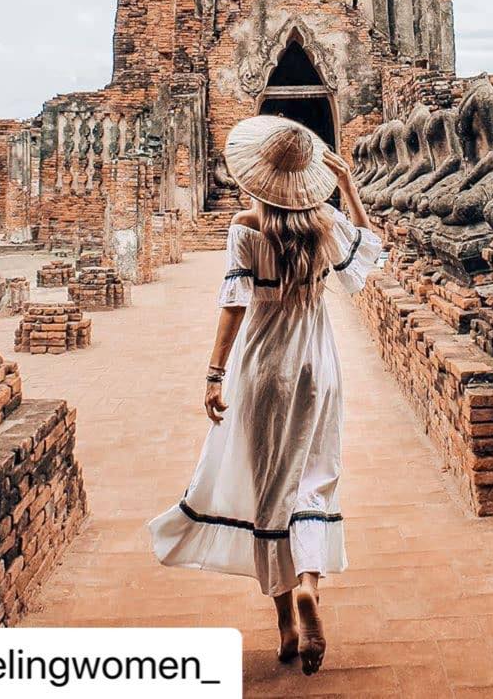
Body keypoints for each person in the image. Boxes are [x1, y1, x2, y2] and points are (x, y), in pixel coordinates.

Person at [148, 115, 383, 676]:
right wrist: (348, 188)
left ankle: (284, 622)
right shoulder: (323, 224)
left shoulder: (244, 228)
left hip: (262, 365)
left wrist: (213, 373)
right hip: (315, 364)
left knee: (267, 487)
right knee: (314, 478)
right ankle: (309, 585)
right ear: (306, 180)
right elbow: (373, 249)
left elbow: (233, 304)